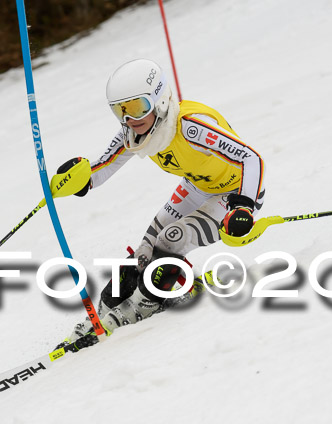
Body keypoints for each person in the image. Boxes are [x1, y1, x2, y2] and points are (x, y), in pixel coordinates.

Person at [56, 58, 265, 350]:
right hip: (196, 188)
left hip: (234, 194)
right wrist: (77, 181)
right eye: (121, 110)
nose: (130, 119)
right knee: (144, 251)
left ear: (160, 99)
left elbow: (251, 158)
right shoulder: (134, 133)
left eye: (137, 107)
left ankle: (144, 305)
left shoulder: (191, 126)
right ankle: (104, 311)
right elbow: (101, 168)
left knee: (170, 239)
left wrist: (244, 207)